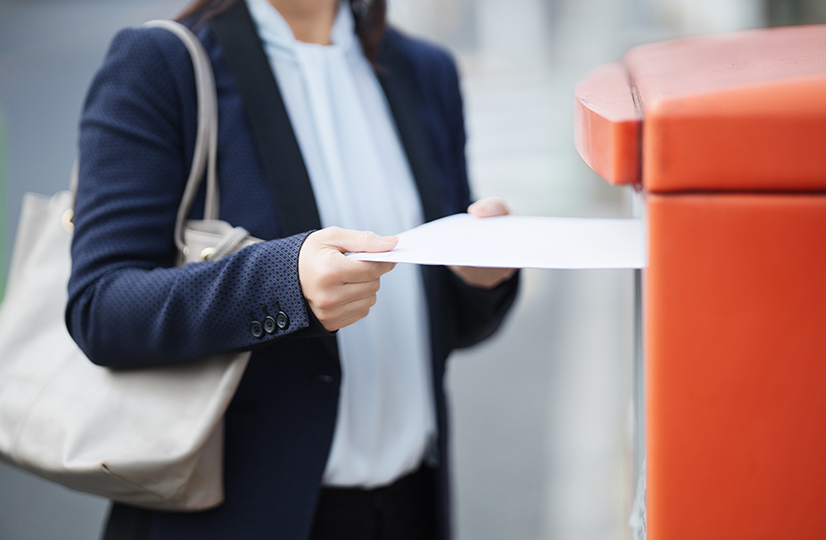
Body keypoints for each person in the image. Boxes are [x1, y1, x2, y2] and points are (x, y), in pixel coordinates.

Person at [67, 0, 519, 538]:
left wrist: (483, 277)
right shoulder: (165, 63)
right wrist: (285, 281)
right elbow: (102, 307)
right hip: (239, 513)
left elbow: (450, 327)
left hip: (412, 504)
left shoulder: (425, 70)